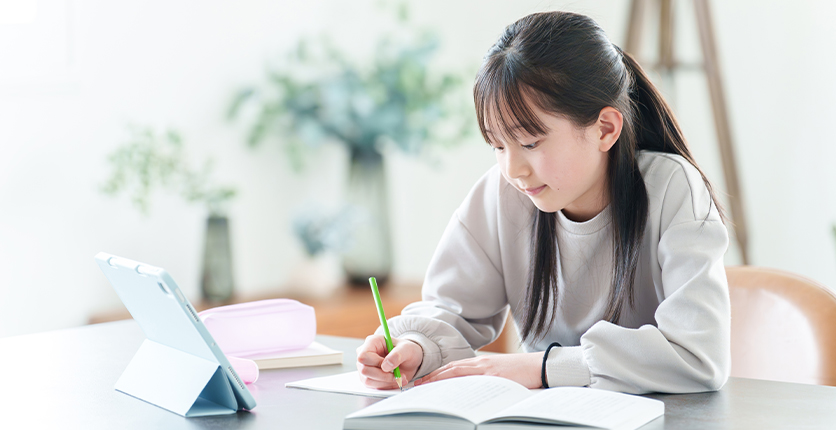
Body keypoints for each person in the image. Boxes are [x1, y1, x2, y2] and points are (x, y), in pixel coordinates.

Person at [356, 10, 730, 394]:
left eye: (530, 143)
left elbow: (696, 353)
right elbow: (452, 311)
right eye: (498, 145)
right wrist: (415, 347)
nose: (513, 169)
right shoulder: (502, 194)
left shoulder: (672, 188)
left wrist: (545, 367)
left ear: (605, 128)